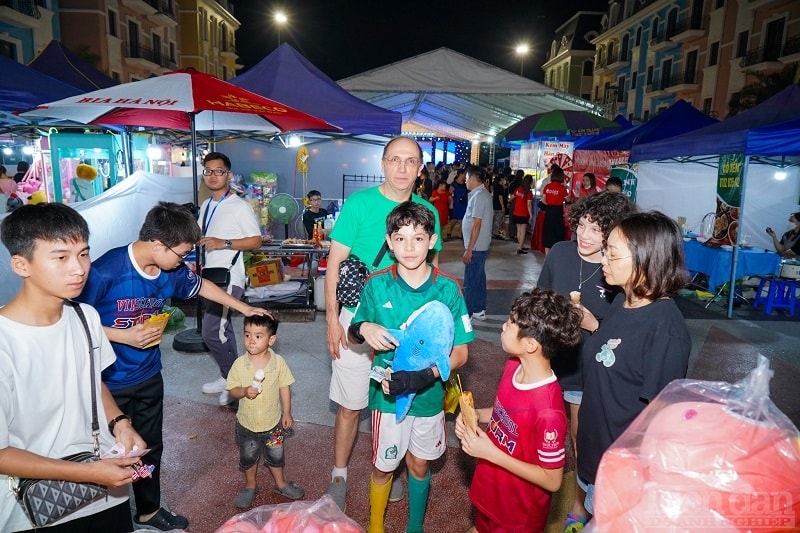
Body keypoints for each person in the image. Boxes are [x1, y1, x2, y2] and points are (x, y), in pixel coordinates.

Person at [78, 202, 269, 531]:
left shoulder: (169, 270)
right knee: (112, 452)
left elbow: (202, 286)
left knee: (150, 448)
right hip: (109, 383)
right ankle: (112, 517)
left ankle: (149, 510)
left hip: (149, 374)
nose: (184, 262)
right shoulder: (105, 271)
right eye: (181, 254)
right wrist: (121, 336)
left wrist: (244, 307)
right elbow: (76, 319)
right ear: (156, 244)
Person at [0, 203, 147, 533]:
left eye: (83, 254)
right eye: (61, 257)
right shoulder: (5, 341)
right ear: (21, 264)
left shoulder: (86, 317)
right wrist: (91, 473)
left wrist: (120, 423)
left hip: (106, 494)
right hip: (33, 507)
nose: (79, 268)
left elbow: (93, 382)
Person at [324, 136, 442, 512]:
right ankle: (339, 474)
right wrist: (331, 319)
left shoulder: (427, 210)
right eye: (395, 160)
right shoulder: (360, 204)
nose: (403, 168)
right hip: (357, 319)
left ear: (421, 167)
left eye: (411, 161)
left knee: (398, 402)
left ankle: (390, 471)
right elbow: (334, 264)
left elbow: (433, 272)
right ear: (383, 163)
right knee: (351, 404)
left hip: (406, 327)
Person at [347, 201, 473, 533]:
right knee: (384, 466)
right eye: (400, 238)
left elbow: (460, 352)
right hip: (387, 400)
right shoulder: (376, 284)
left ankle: (414, 527)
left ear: (432, 241)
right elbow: (354, 330)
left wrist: (425, 376)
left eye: (418, 238)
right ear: (389, 242)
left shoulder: (448, 288)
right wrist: (365, 329)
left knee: (419, 465)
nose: (409, 247)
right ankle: (376, 525)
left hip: (430, 397)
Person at [575, 211, 691, 523]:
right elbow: (614, 356)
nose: (603, 261)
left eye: (612, 254)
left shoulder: (665, 329)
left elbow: (660, 421)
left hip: (622, 472)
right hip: (594, 453)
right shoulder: (620, 303)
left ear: (646, 259)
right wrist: (593, 327)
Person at [536, 191, 635, 533]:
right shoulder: (561, 253)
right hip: (548, 363)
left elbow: (624, 333)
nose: (585, 234)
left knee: (580, 440)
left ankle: (579, 504)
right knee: (541, 432)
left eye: (596, 229)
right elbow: (540, 297)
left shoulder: (616, 273)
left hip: (585, 371)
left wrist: (593, 324)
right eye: (582, 223)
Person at [455, 289, 582, 533]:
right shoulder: (513, 366)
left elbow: (553, 480)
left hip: (518, 514)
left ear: (531, 344)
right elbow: (506, 413)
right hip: (491, 490)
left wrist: (491, 453)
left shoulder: (549, 412)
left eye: (511, 322)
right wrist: (478, 415)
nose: (503, 326)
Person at [198, 152, 264, 406]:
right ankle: (229, 376)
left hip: (229, 276)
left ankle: (232, 382)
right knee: (223, 330)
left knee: (212, 331)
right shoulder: (206, 205)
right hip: (209, 277)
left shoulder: (238, 206)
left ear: (228, 175)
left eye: (218, 171)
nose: (213, 176)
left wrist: (223, 242)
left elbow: (256, 240)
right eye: (208, 171)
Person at [226, 314, 303, 509]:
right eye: (247, 335)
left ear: (271, 340)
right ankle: (250, 485)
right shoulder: (239, 364)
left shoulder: (278, 363)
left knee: (276, 455)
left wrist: (287, 412)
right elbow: (232, 390)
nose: (251, 340)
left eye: (258, 336)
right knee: (248, 457)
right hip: (247, 424)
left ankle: (280, 483)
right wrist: (243, 391)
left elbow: (284, 387)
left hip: (274, 424)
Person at [462, 166, 493, 321]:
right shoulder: (480, 194)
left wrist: (469, 249)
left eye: (467, 178)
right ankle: (478, 309)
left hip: (475, 246)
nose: (465, 181)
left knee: (470, 281)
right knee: (478, 278)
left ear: (473, 178)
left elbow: (477, 225)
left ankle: (467, 314)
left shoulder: (480, 196)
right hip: (478, 246)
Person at [541, 165, 570, 255]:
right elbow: (568, 200)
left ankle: (547, 255)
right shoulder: (562, 188)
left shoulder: (547, 186)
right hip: (558, 212)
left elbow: (543, 201)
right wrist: (567, 187)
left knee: (548, 232)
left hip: (549, 211)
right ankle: (556, 254)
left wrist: (550, 204)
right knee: (558, 232)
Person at [442, 169, 468, 240]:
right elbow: (449, 194)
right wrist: (451, 203)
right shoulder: (454, 184)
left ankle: (460, 233)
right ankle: (450, 230)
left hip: (464, 202)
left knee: (463, 218)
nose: (465, 176)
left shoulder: (465, 183)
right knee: (455, 218)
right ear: (460, 174)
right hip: (457, 202)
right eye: (464, 174)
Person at [511, 175, 533, 254]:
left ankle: (520, 245)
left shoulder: (518, 189)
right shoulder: (528, 192)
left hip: (516, 212)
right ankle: (520, 248)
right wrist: (531, 215)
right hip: (524, 214)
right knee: (523, 231)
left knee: (518, 230)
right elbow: (529, 205)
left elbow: (512, 197)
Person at [491, 174, 507, 239]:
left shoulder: (494, 186)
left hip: (494, 205)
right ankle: (496, 233)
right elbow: (500, 197)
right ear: (501, 179)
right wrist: (503, 206)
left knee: (494, 220)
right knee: (498, 220)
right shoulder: (500, 187)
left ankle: (493, 232)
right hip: (499, 206)